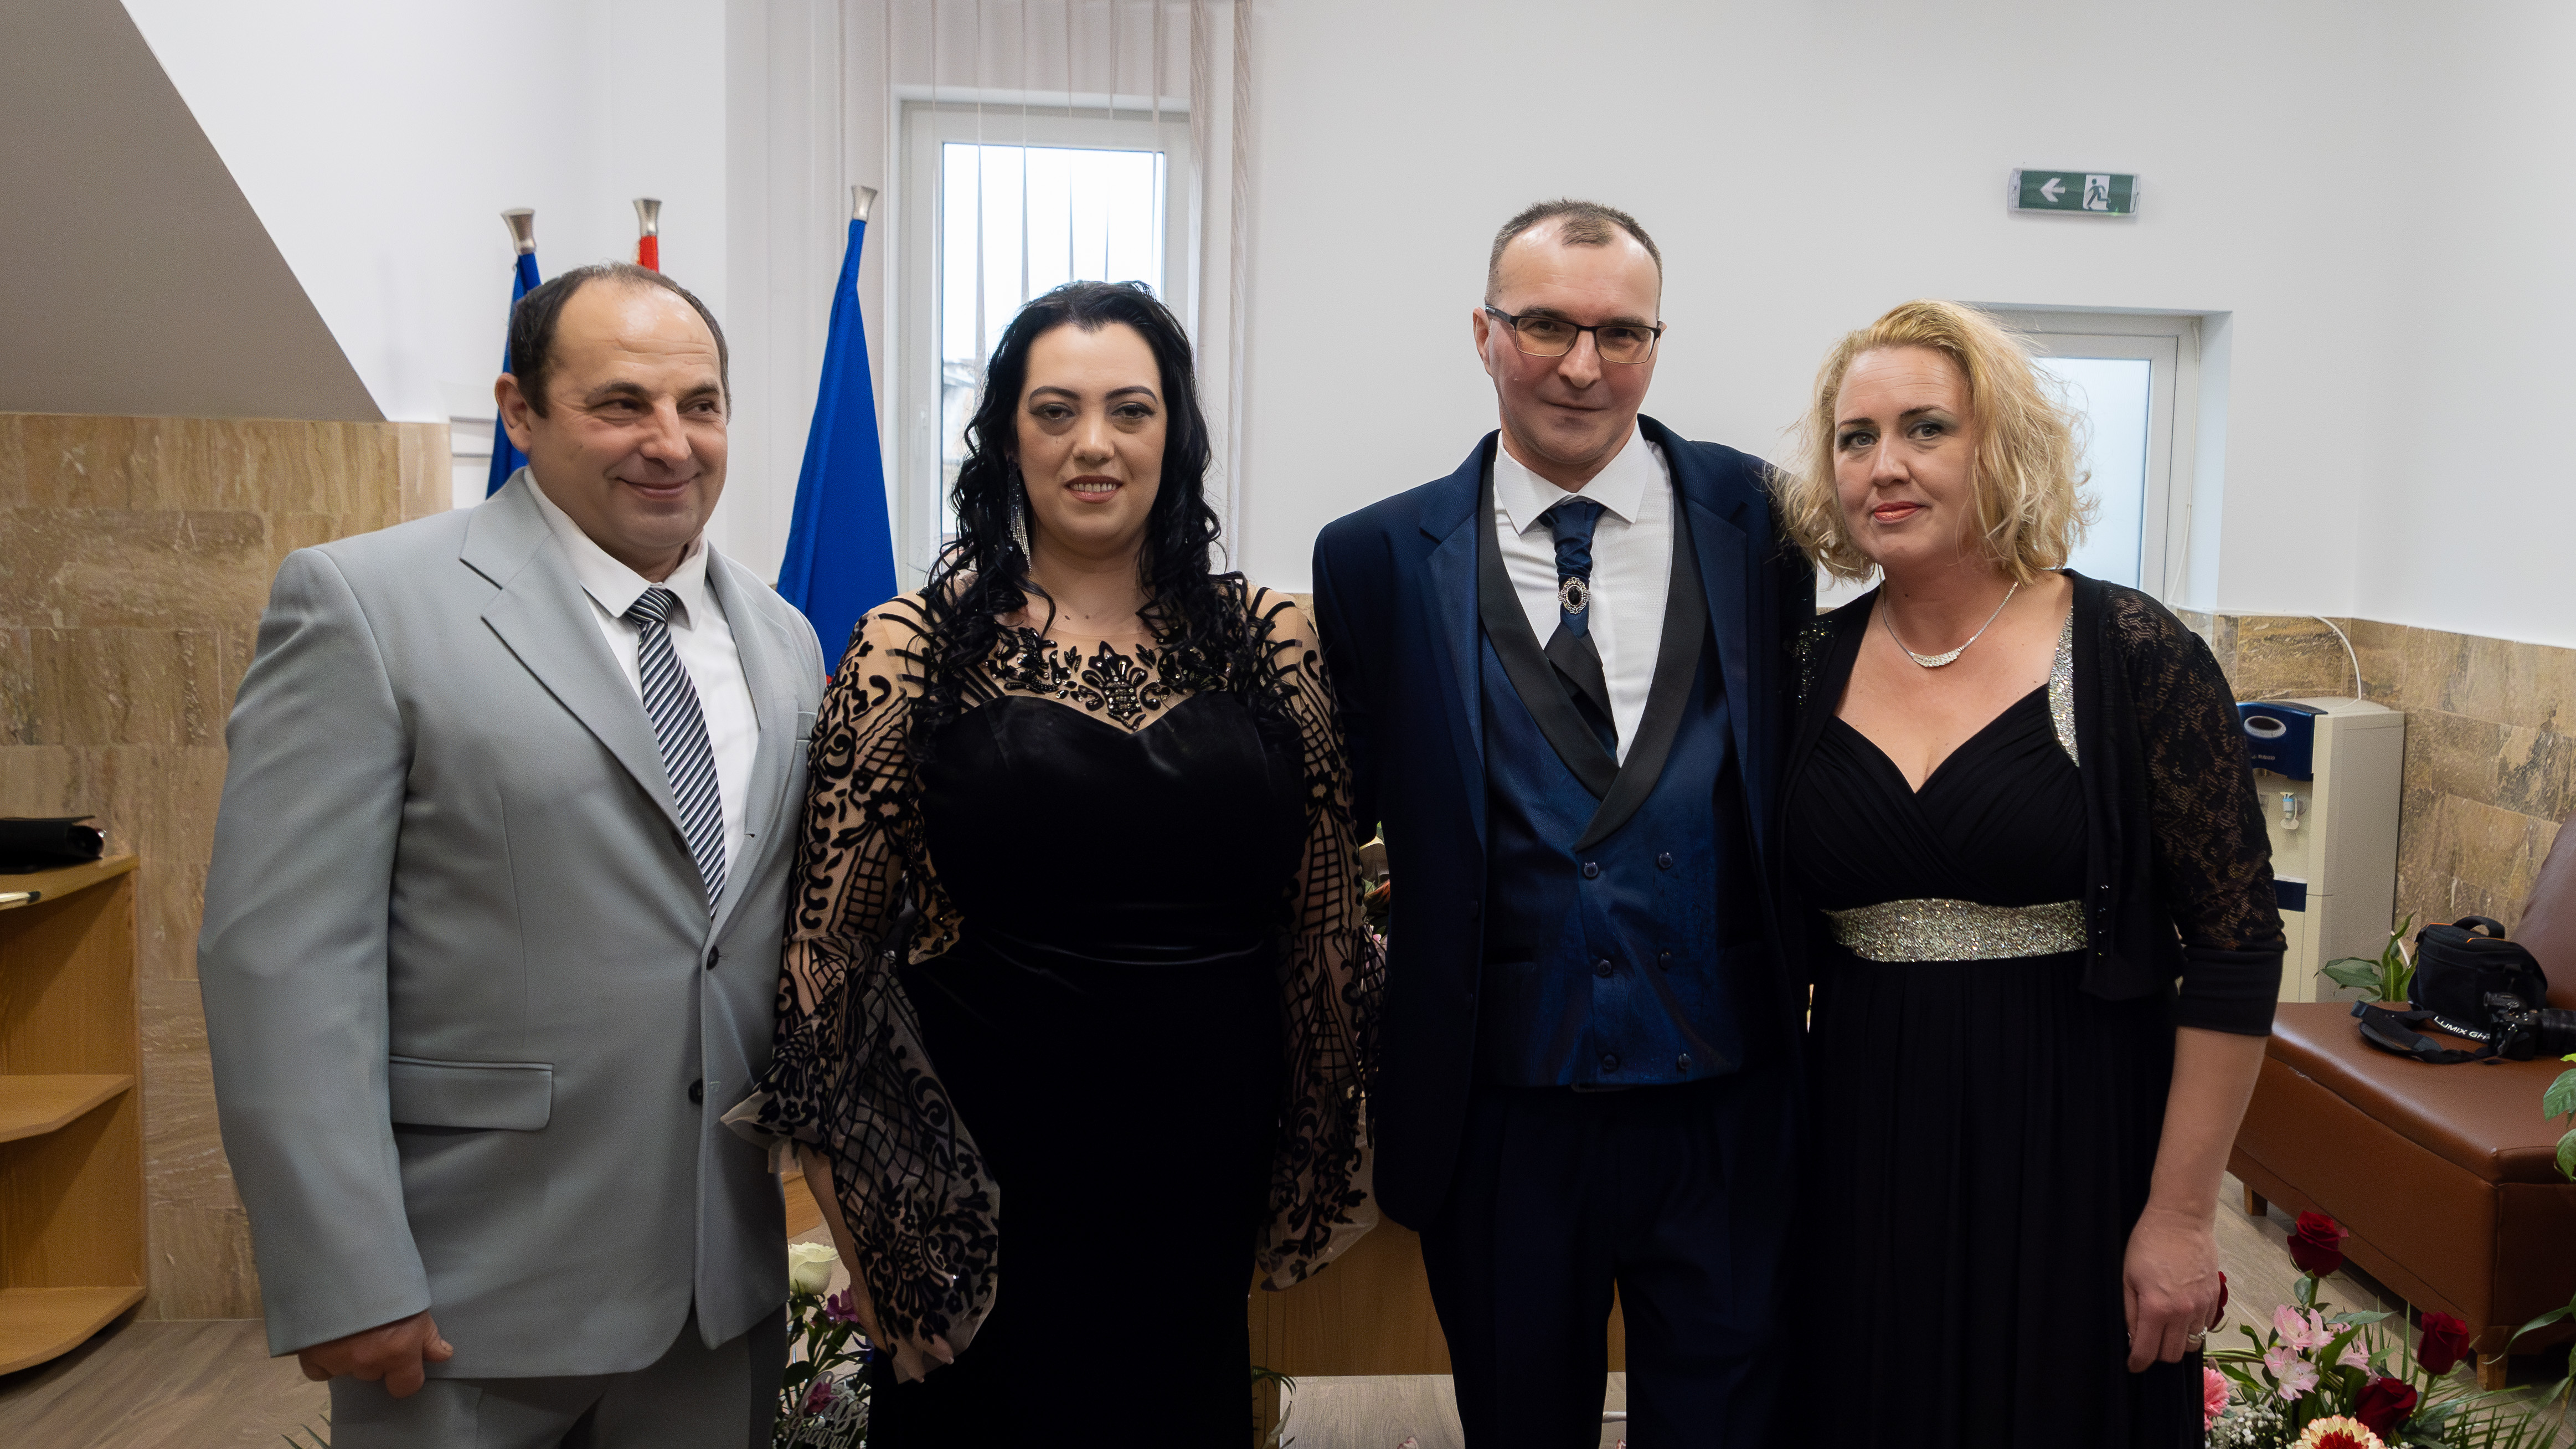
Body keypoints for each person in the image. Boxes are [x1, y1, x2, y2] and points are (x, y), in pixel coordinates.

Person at [731, 280, 1380, 1445]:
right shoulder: (909, 650)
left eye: (1130, 409)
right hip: (980, 1177)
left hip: (1208, 1163)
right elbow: (828, 960)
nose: (1094, 443)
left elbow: (1326, 929)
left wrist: (1318, 1162)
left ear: (1174, 436)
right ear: (1005, 436)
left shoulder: (1275, 641)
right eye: (1056, 411)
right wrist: (874, 1234)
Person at [198, 263, 826, 1448]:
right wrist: (345, 1272)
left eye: (699, 405)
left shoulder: (785, 639)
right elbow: (281, 965)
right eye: (621, 403)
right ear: (520, 411)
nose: (670, 442)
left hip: (715, 1300)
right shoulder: (367, 606)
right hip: (463, 1303)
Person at [1310, 201, 1813, 1445]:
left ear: (1656, 342)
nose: (1583, 367)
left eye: (1619, 334)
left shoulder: (1765, 523)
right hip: (1498, 1117)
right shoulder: (1374, 557)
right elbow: (1340, 814)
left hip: (1727, 1104)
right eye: (1545, 326)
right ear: (1483, 334)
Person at [1773, 299, 2283, 1446]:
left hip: (2074, 1135)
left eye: (1926, 429)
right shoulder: (1803, 665)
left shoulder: (2131, 652)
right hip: (1860, 1139)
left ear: (2000, 448)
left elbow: (2237, 948)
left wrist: (2180, 1217)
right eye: (1856, 438)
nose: (1885, 466)